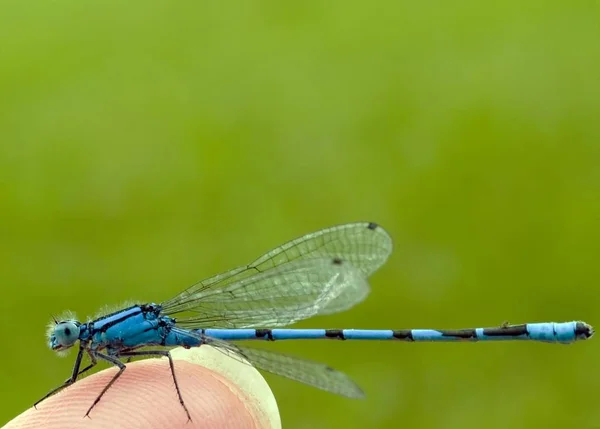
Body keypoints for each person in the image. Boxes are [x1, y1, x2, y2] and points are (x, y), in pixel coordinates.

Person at [4, 347, 281, 429]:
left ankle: (183, 402)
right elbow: (77, 376)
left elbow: (122, 367)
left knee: (169, 356)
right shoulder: (92, 343)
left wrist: (96, 403)